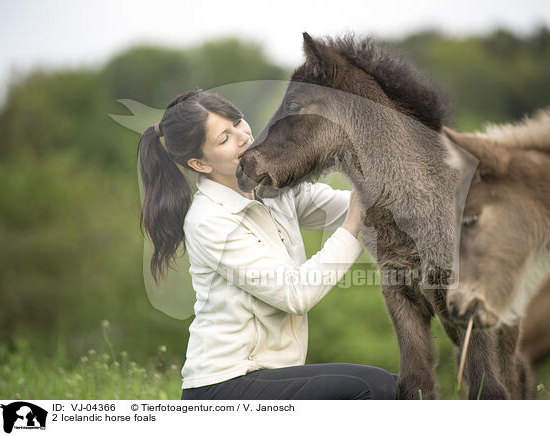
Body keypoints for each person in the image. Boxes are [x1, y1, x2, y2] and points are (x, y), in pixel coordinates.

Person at [137, 89, 398, 400]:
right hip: (225, 387)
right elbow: (295, 293)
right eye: (224, 138)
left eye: (237, 122)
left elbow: (345, 205)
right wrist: (355, 221)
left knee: (406, 387)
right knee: (378, 388)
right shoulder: (209, 221)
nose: (243, 137)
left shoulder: (269, 186)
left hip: (271, 376)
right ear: (200, 163)